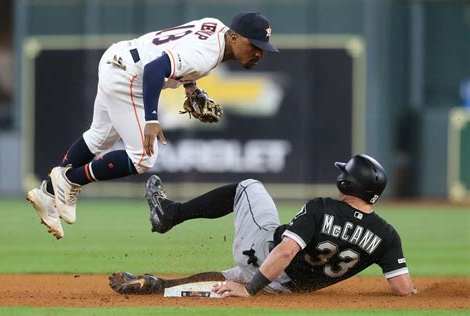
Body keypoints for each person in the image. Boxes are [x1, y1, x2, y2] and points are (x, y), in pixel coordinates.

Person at [26, 11, 279, 239]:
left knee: (99, 138)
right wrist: (151, 119)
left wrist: (191, 88)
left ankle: (46, 193)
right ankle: (69, 179)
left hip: (118, 58)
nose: (259, 52)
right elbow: (155, 68)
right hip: (131, 76)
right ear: (234, 37)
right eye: (254, 44)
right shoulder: (206, 55)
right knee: (143, 157)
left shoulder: (214, 26)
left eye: (263, 47)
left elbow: (178, 50)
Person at [109, 154, 417, 297]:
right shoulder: (386, 235)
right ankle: (157, 286)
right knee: (229, 279)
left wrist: (251, 291)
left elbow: (285, 251)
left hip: (266, 259)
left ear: (345, 182)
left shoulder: (322, 207)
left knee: (248, 186)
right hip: (288, 289)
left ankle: (169, 214)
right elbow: (403, 289)